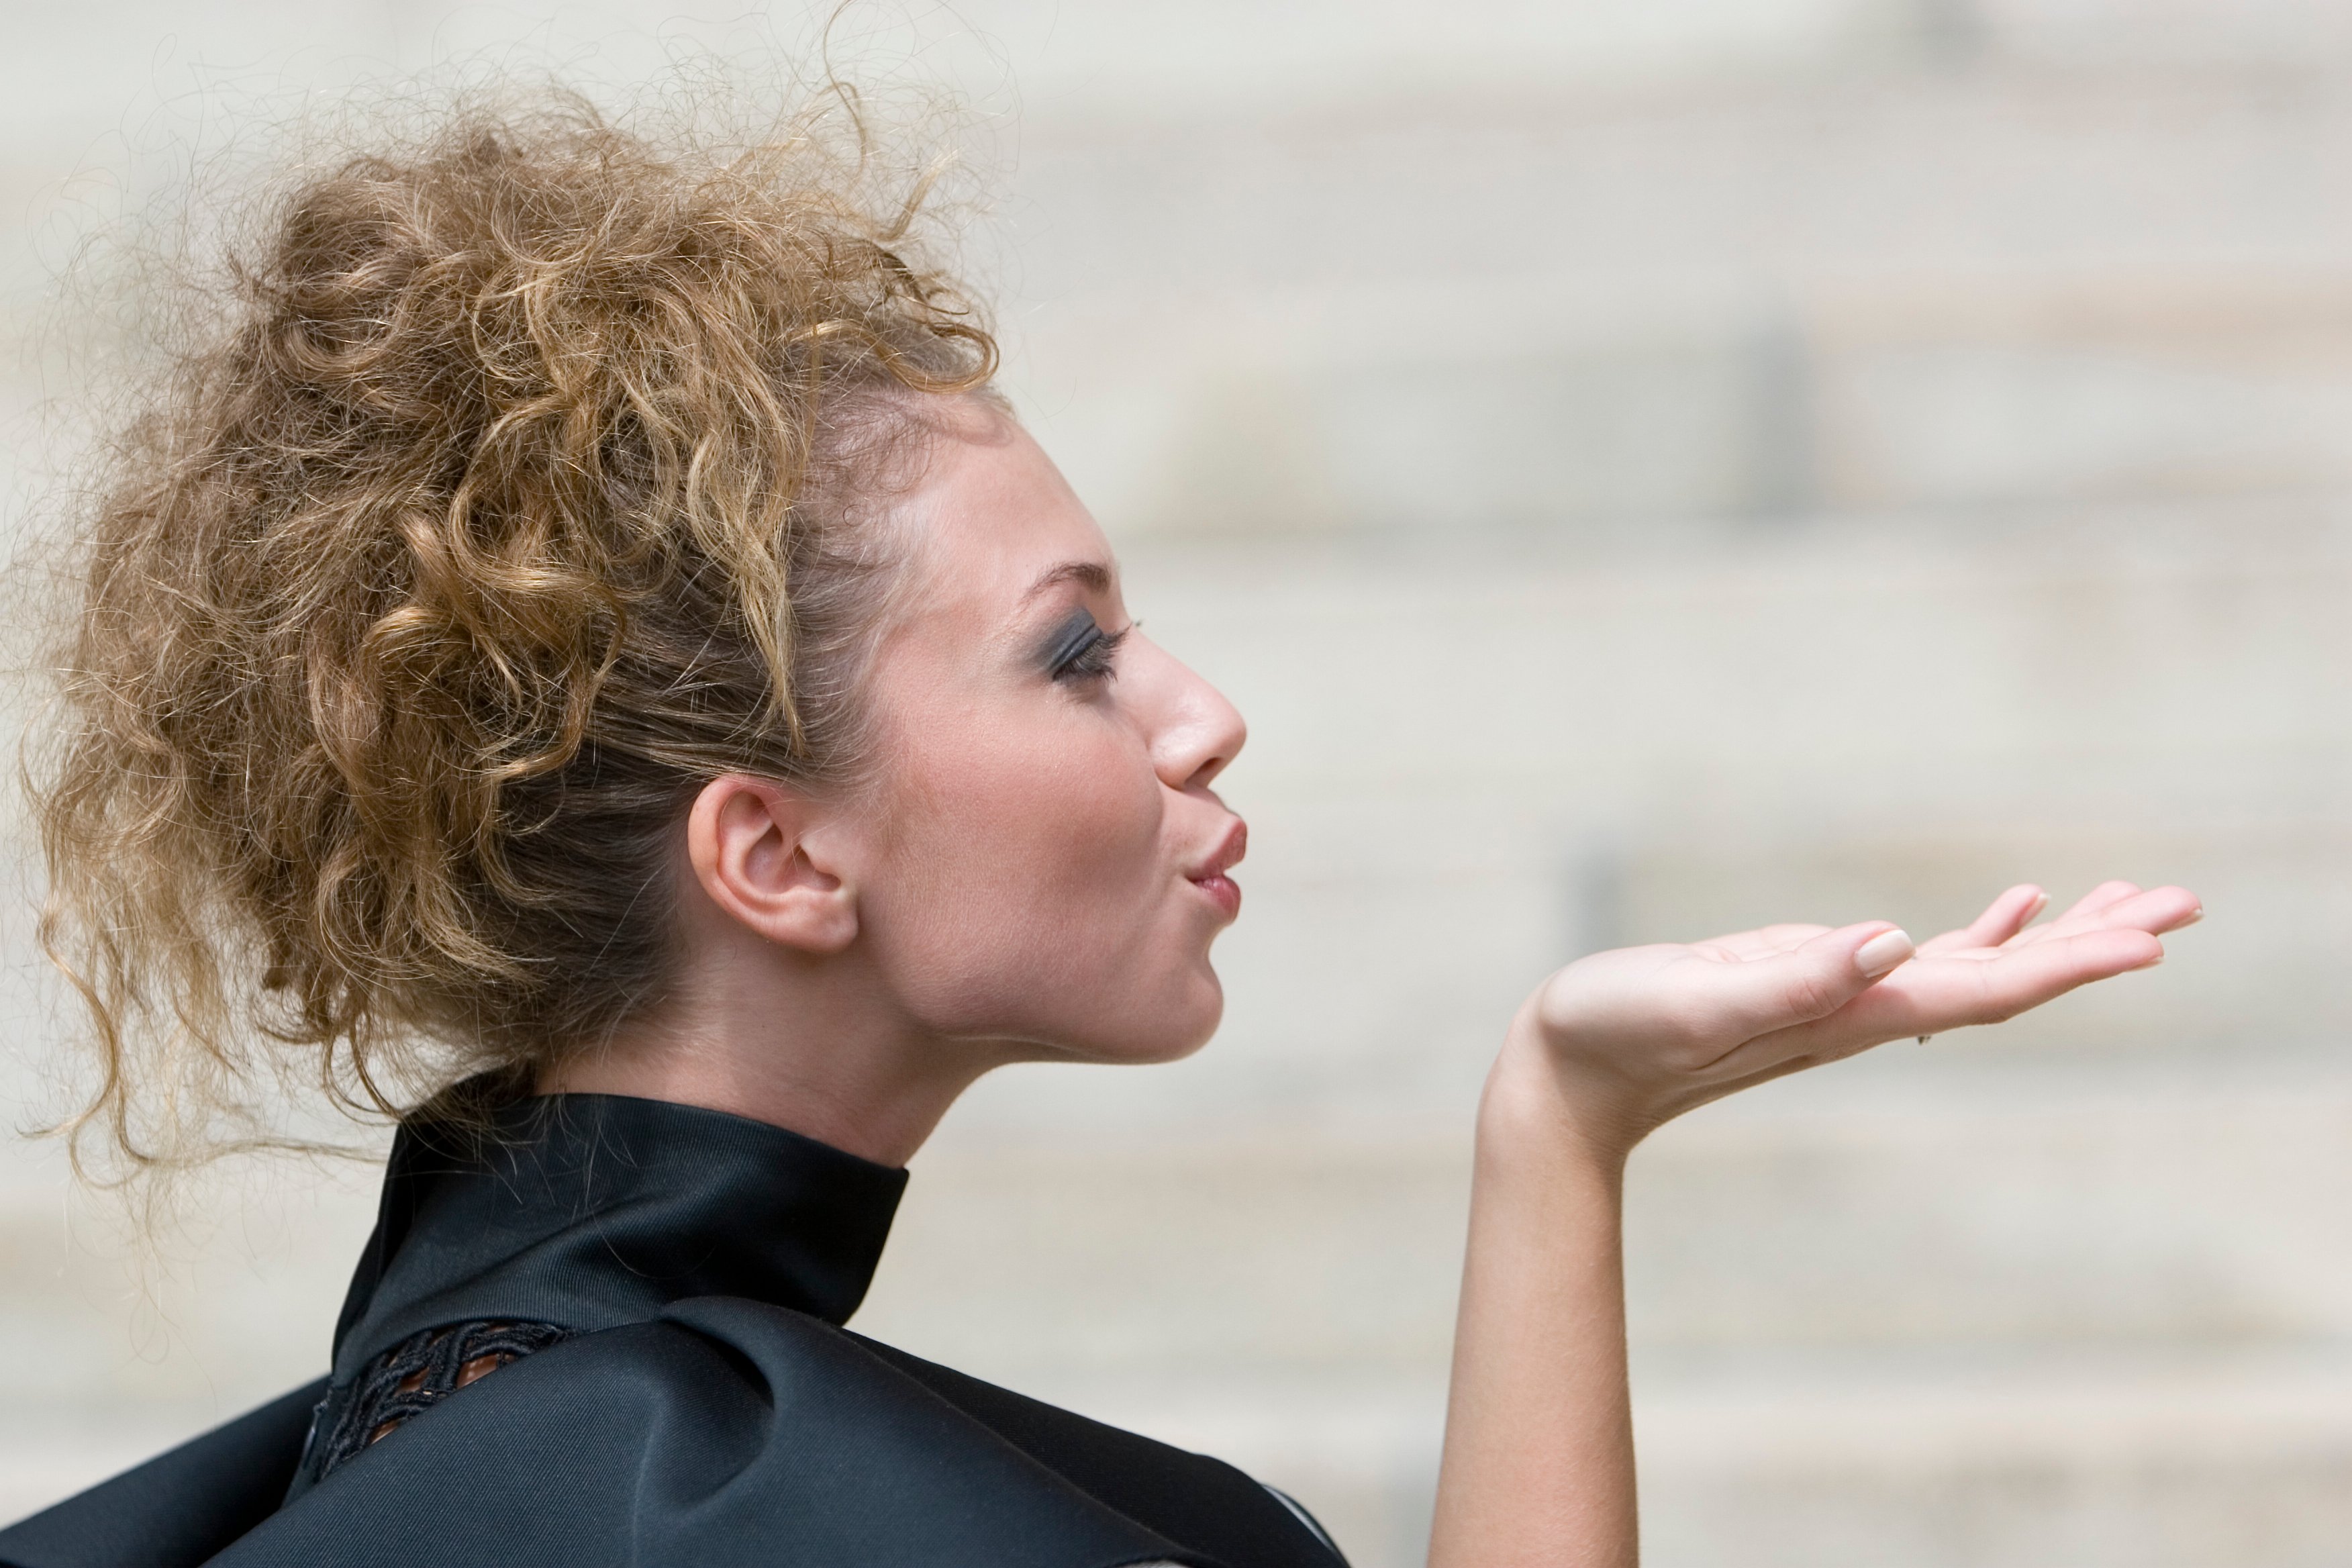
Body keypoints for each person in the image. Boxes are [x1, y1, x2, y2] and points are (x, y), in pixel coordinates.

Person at [0, 95, 2200, 1568]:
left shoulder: (445, 1413)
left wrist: (1563, 1124)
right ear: (776, 859)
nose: (1202, 718)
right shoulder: (746, 1494)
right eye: (1076, 656)